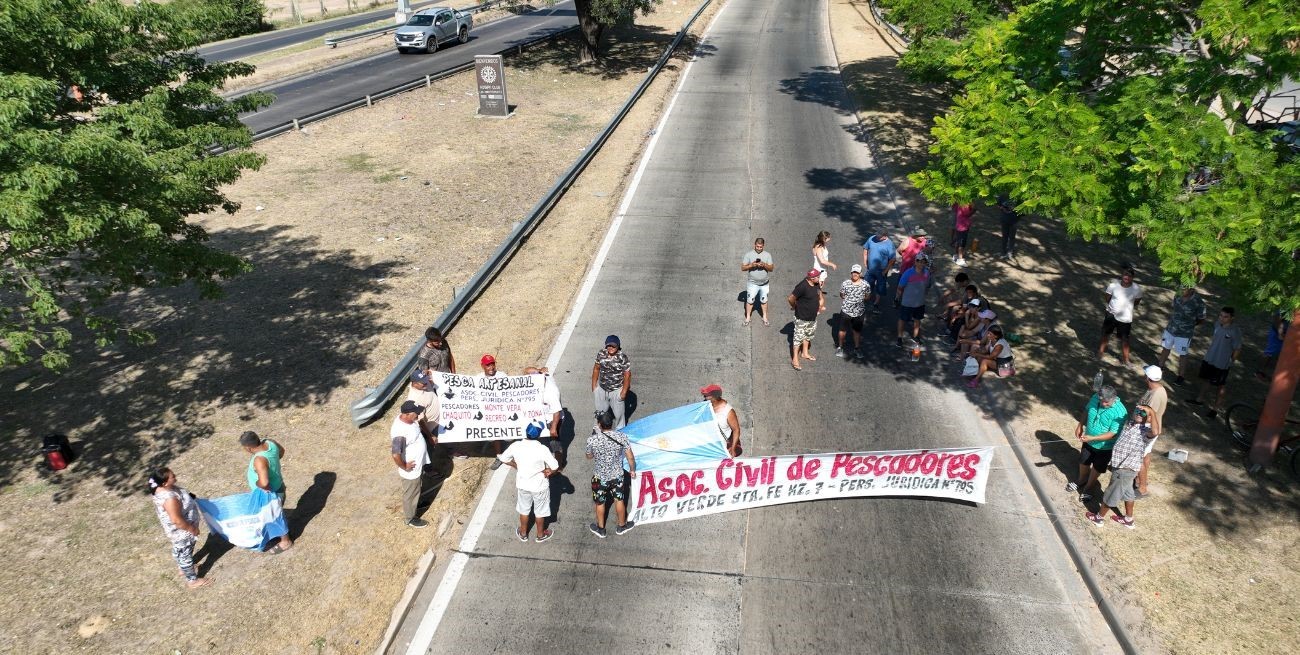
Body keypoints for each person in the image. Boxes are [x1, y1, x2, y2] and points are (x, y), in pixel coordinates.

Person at [1086, 404, 1160, 529]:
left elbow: (1156, 431)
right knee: (1128, 493)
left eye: (1142, 413)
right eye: (1137, 411)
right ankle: (1128, 520)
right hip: (1121, 466)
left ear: (1149, 418)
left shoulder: (1145, 431)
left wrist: (1151, 412)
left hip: (1125, 469)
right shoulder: (1131, 424)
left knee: (1111, 493)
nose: (1138, 413)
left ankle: (1099, 518)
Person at [498, 422, 560, 542]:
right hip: (539, 485)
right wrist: (549, 472)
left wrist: (516, 465)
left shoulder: (516, 445)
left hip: (523, 484)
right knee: (540, 511)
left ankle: (523, 533)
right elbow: (555, 465)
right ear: (539, 435)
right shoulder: (542, 449)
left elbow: (503, 458)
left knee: (524, 509)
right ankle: (540, 535)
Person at [149, 467, 211, 589]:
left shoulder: (162, 488)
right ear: (165, 483)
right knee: (185, 554)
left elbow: (183, 494)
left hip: (179, 533)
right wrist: (192, 529)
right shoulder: (170, 499)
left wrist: (193, 497)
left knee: (180, 550)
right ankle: (192, 581)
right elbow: (177, 520)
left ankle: (182, 568)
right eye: (173, 477)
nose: (175, 476)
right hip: (183, 532)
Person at [1067, 385, 1127, 502]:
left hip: (1105, 447)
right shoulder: (1095, 397)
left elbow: (1112, 433)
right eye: (1101, 401)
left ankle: (1089, 488)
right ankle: (1081, 480)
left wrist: (1093, 438)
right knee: (1083, 461)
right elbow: (1087, 410)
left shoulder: (1120, 412)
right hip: (1088, 440)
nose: (1103, 404)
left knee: (1097, 468)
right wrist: (1080, 425)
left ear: (1114, 398)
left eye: (1106, 402)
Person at [586, 409, 637, 538]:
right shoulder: (622, 437)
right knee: (619, 500)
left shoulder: (592, 440)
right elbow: (630, 457)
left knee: (600, 503)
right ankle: (621, 526)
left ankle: (601, 529)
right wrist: (632, 470)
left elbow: (589, 456)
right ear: (612, 424)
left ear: (599, 424)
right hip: (617, 475)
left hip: (599, 477)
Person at [239, 431, 292, 552]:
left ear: (248, 448)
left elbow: (264, 483)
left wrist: (257, 482)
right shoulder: (270, 443)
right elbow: (282, 451)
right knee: (273, 513)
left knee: (275, 516)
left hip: (271, 494)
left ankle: (285, 541)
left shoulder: (259, 459)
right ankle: (275, 533)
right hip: (279, 486)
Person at [1188, 307, 1243, 419]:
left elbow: (1237, 349)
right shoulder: (1217, 324)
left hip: (1222, 363)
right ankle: (1199, 399)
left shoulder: (1235, 331)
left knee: (1221, 386)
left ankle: (1215, 409)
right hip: (1210, 358)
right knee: (1206, 379)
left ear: (1232, 318)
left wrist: (1231, 361)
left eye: (1225, 317)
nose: (1222, 318)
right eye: (1221, 315)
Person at [391, 400, 431, 528]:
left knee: (416, 488)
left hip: (417, 465)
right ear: (407, 414)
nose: (418, 415)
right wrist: (405, 466)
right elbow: (395, 454)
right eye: (416, 413)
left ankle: (416, 504)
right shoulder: (399, 432)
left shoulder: (408, 420)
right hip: (410, 470)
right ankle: (410, 518)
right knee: (410, 493)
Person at [1155, 285, 1206, 385]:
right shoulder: (1177, 295)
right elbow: (1174, 308)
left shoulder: (1198, 302)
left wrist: (1189, 325)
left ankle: (1181, 376)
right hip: (1171, 329)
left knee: (1182, 354)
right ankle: (1160, 366)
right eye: (1181, 288)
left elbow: (1201, 319)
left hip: (1184, 333)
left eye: (1185, 288)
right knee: (1165, 348)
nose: (1182, 290)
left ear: (1192, 289)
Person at [1098, 267, 1143, 365]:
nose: (1127, 277)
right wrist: (1113, 308)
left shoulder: (1137, 289)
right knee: (1105, 334)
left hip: (1126, 318)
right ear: (1122, 275)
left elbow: (1137, 301)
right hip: (1111, 314)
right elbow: (1107, 297)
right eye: (1125, 274)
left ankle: (1126, 360)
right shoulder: (1113, 285)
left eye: (1129, 276)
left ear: (1133, 277)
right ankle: (1100, 353)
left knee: (1125, 339)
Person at [1135, 365, 1167, 496]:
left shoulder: (1155, 395)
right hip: (1151, 428)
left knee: (1139, 458)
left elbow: (1147, 416)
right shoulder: (1158, 389)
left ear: (1148, 377)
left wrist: (1136, 417)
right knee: (1146, 454)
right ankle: (1139, 480)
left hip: (1147, 429)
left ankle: (1142, 488)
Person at [523, 366, 565, 464]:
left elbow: (556, 412)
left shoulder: (551, 392)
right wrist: (538, 370)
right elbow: (526, 370)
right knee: (530, 436)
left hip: (553, 419)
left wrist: (554, 428)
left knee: (555, 443)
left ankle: (558, 464)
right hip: (540, 416)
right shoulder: (543, 376)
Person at [788, 269, 824, 370]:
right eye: (817, 277)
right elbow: (790, 298)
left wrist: (820, 306)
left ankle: (805, 353)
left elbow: (820, 297)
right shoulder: (802, 286)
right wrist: (794, 306)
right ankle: (795, 359)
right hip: (801, 318)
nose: (819, 278)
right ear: (812, 278)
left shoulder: (816, 284)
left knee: (808, 335)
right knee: (798, 338)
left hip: (812, 318)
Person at [592, 335, 631, 429]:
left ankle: (620, 433)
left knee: (619, 416)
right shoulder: (601, 354)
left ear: (618, 346)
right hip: (602, 389)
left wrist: (624, 392)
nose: (611, 348)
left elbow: (627, 375)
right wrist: (594, 386)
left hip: (616, 390)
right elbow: (596, 368)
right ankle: (597, 431)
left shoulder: (622, 357)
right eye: (609, 346)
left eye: (613, 346)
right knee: (599, 413)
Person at [894, 255, 930, 347]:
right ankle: (899, 338)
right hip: (907, 303)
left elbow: (927, 286)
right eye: (919, 261)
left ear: (926, 263)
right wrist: (897, 298)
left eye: (923, 262)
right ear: (915, 262)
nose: (921, 264)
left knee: (917, 320)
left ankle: (916, 336)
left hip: (920, 303)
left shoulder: (927, 273)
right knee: (902, 320)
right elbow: (900, 287)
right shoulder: (908, 273)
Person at [836, 265, 868, 359]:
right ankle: (840, 347)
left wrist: (859, 301)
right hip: (846, 311)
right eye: (854, 272)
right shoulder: (845, 283)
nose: (855, 274)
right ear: (851, 273)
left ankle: (857, 348)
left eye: (857, 272)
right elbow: (842, 295)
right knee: (842, 330)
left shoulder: (866, 285)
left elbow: (868, 296)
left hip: (859, 312)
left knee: (857, 331)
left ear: (860, 274)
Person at [701, 384, 741, 456]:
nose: (705, 397)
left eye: (707, 395)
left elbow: (736, 430)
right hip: (709, 446)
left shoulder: (728, 411)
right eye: (705, 395)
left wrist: (733, 448)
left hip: (722, 448)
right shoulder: (705, 406)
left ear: (715, 396)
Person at [742, 237, 774, 326]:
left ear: (763, 246)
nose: (759, 248)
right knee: (750, 301)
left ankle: (765, 317)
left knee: (764, 301)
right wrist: (751, 265)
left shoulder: (767, 255)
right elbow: (743, 267)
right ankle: (748, 317)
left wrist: (764, 265)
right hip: (752, 283)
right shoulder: (749, 254)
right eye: (757, 246)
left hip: (764, 284)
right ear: (754, 245)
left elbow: (771, 268)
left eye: (761, 247)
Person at [861, 230, 896, 312]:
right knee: (867, 285)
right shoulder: (872, 238)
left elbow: (892, 259)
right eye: (877, 235)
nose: (876, 237)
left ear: (885, 236)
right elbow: (865, 248)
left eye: (879, 236)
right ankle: (866, 299)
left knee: (880, 287)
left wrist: (885, 271)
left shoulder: (889, 245)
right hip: (870, 269)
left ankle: (876, 303)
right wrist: (865, 261)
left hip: (881, 271)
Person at [1256, 310, 1290, 382]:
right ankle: (1259, 372)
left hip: (1289, 335)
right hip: (1278, 334)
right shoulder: (1290, 305)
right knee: (1269, 352)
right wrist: (1280, 333)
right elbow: (1276, 318)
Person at [995, 194, 1020, 259]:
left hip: (1014, 220)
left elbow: (1023, 211)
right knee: (1004, 236)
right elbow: (998, 205)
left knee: (1012, 237)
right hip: (1004, 219)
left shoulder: (1018, 197)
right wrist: (1002, 208)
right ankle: (1003, 251)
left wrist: (1015, 211)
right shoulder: (1003, 195)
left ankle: (1010, 252)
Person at [950, 203, 974, 267]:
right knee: (962, 243)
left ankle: (956, 255)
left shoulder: (961, 202)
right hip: (963, 226)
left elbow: (954, 208)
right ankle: (960, 259)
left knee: (958, 241)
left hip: (960, 225)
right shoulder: (964, 204)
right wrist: (974, 210)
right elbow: (967, 214)